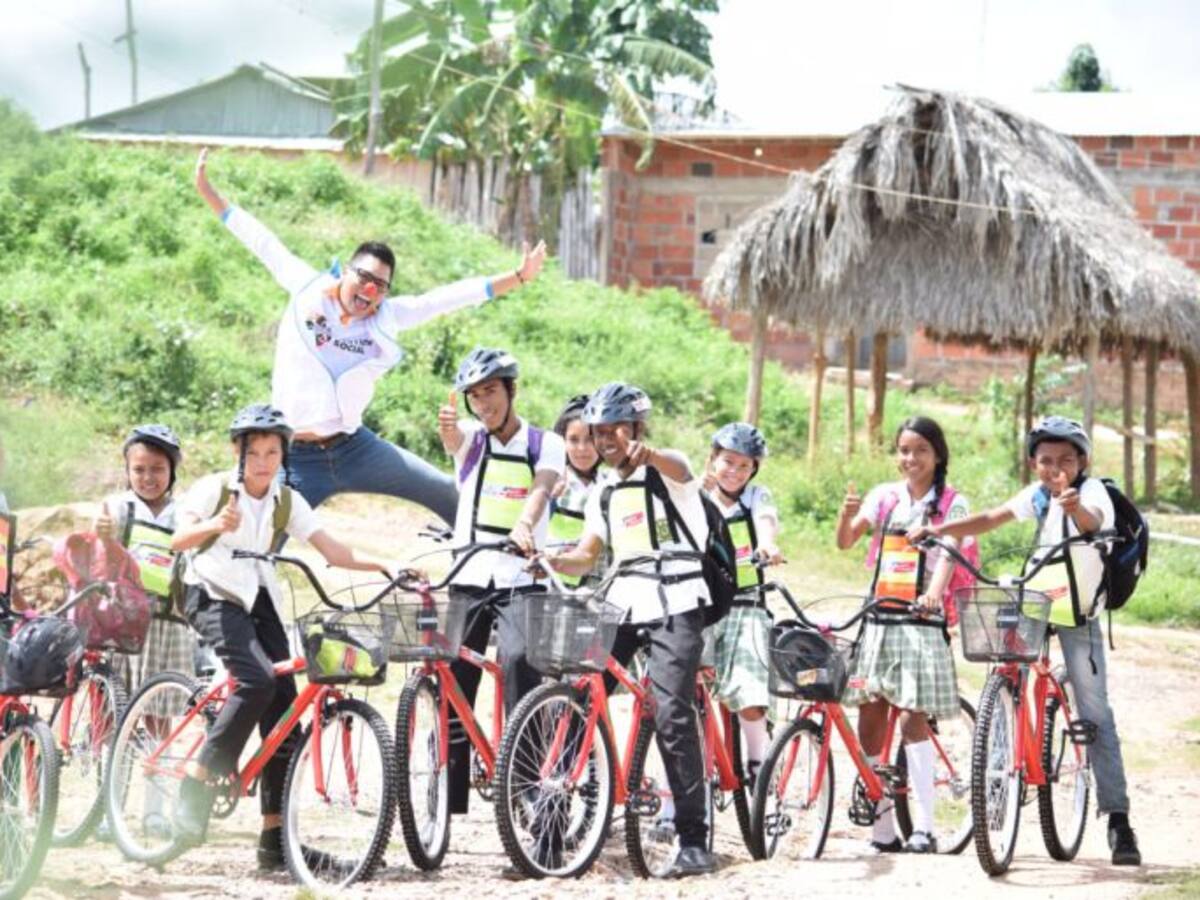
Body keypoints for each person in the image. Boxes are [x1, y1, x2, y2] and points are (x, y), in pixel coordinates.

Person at [193, 148, 547, 525]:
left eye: (380, 285)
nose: (369, 291)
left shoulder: (388, 318)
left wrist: (519, 276)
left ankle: (489, 565)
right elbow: (262, 242)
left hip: (355, 448)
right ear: (346, 272)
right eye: (363, 277)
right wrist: (209, 193)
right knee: (261, 535)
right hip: (296, 455)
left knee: (446, 491)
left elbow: (446, 298)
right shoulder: (306, 288)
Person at [168, 404, 393, 872]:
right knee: (256, 680)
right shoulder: (214, 489)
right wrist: (216, 526)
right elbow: (177, 540)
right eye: (256, 453)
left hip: (259, 594)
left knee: (287, 715)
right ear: (239, 452)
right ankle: (198, 776)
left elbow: (332, 550)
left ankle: (274, 840)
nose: (265, 462)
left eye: (273, 452)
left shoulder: (286, 501)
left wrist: (385, 567)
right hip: (209, 589)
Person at [909, 415, 1141, 866]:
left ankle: (1119, 821)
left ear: (1082, 462)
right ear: (1034, 464)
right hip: (1037, 597)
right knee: (1004, 671)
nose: (1056, 467)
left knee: (1095, 712)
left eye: (1067, 460)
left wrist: (1072, 506)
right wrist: (939, 531)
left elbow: (1094, 524)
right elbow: (992, 518)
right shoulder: (1037, 494)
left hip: (1077, 611)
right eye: (1046, 460)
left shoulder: (1090, 493)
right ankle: (1000, 769)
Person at [547, 383, 716, 878]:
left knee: (671, 712)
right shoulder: (603, 490)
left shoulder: (672, 472)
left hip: (677, 602)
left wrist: (652, 454)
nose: (606, 441)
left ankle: (693, 839)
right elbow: (588, 554)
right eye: (599, 433)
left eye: (616, 430)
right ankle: (555, 820)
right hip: (623, 602)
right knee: (579, 692)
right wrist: (552, 559)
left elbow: (680, 468)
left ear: (637, 428)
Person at [437, 348, 563, 816]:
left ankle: (527, 786)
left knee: (519, 661)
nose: (482, 404)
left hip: (521, 577)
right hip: (468, 573)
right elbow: (453, 441)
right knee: (451, 675)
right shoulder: (471, 438)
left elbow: (542, 487)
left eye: (490, 392)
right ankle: (444, 802)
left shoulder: (542, 443)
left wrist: (526, 525)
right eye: (474, 396)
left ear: (511, 390)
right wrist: (450, 430)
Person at [835, 416, 967, 854]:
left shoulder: (953, 503)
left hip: (922, 619)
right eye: (905, 451)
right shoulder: (884, 497)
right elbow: (845, 543)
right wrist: (847, 515)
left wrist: (933, 593)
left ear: (938, 455)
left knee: (913, 717)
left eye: (920, 451)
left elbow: (949, 554)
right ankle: (882, 827)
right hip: (880, 615)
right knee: (870, 717)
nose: (911, 459)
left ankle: (925, 828)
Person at [702, 422, 781, 792]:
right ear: (712, 460)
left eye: (744, 466)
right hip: (701, 606)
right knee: (687, 692)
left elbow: (766, 521)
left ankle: (757, 766)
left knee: (750, 691)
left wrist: (766, 545)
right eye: (727, 462)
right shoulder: (696, 496)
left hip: (746, 605)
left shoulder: (755, 498)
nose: (734, 472)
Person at [94, 425, 197, 691]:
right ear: (127, 471)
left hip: (168, 621)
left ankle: (158, 736)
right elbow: (99, 564)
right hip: (121, 620)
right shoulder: (118, 508)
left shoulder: (185, 513)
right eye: (139, 470)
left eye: (158, 469)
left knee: (158, 704)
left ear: (172, 472)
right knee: (110, 702)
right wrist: (103, 538)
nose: (148, 477)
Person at [545, 395, 602, 586]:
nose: (582, 449)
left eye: (590, 440)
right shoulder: (551, 479)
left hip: (595, 590)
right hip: (552, 586)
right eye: (573, 440)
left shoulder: (608, 484)